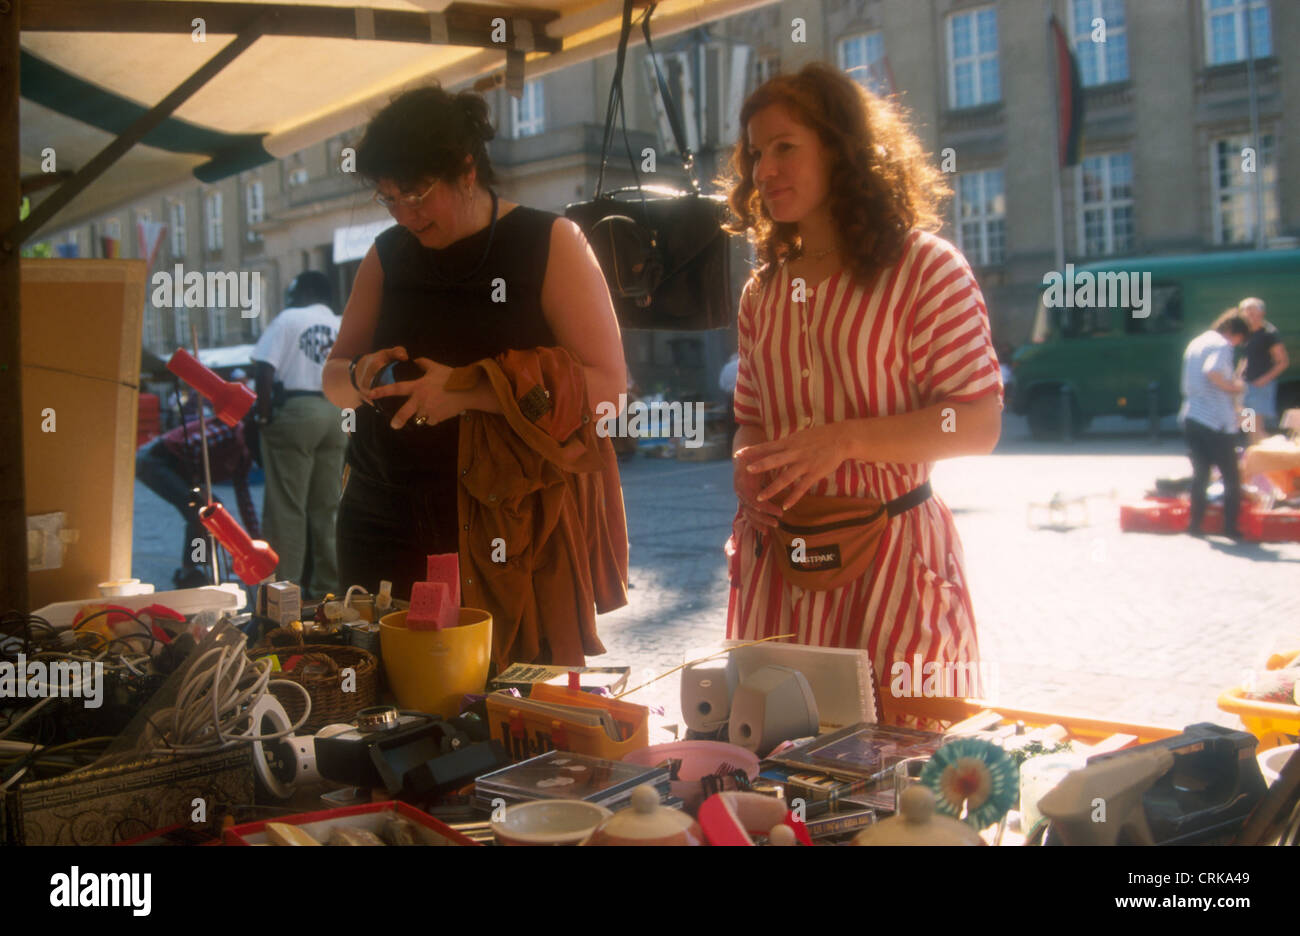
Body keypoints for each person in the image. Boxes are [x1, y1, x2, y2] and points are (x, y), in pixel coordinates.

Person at [720, 63, 1003, 725]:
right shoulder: (763, 291)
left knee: (904, 776)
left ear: (842, 150)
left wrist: (847, 439)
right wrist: (745, 464)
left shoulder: (926, 267)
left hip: (895, 564)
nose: (764, 169)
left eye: (785, 146)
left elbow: (980, 422)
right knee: (781, 767)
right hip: (782, 566)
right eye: (756, 153)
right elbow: (750, 422)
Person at [321, 85, 628, 664]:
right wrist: (358, 377)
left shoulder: (549, 241)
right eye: (388, 198)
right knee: (381, 688)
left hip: (500, 518)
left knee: (495, 696)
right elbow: (332, 378)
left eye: (415, 193)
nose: (405, 214)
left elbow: (608, 384)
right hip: (379, 509)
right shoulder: (387, 253)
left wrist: (466, 391)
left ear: (465, 169)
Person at [251, 271, 345, 598]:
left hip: (296, 411)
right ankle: (329, 592)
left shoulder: (288, 319)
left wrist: (263, 417)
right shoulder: (340, 323)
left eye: (292, 294)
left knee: (287, 509)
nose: (289, 300)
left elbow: (264, 369)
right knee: (327, 507)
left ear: (303, 292)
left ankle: (284, 594)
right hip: (336, 412)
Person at [136, 394, 260, 588]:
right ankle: (190, 571)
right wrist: (196, 484)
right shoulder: (231, 432)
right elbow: (191, 443)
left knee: (212, 509)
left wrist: (255, 542)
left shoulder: (243, 459)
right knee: (200, 511)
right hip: (155, 460)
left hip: (176, 464)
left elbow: (245, 501)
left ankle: (198, 566)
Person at [1179, 309, 1251, 539]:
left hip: (1191, 415)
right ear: (1233, 332)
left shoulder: (1196, 342)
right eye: (1240, 339)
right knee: (1231, 476)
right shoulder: (1222, 345)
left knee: (1201, 474)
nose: (1238, 344)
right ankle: (1230, 527)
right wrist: (1234, 387)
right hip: (1215, 420)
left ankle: (1195, 524)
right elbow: (1212, 371)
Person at [1239, 297, 1289, 437]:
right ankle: (1253, 457)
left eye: (1253, 313)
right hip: (1246, 385)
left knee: (1256, 428)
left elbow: (1283, 362)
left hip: (1261, 386)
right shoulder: (1246, 332)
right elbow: (1246, 357)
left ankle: (1276, 454)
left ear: (1262, 313)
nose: (1250, 317)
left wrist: (1264, 380)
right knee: (1248, 427)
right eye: (1247, 313)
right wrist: (1238, 377)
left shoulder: (1269, 333)